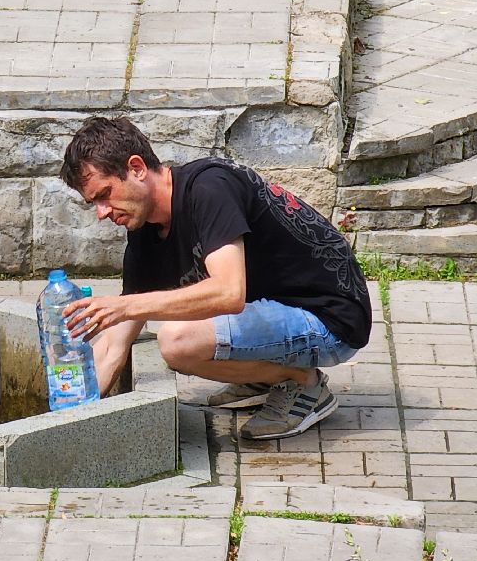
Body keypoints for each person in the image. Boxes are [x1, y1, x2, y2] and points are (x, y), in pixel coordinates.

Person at [58, 115, 371, 440]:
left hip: (332, 320)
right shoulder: (144, 232)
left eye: (105, 194)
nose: (102, 212)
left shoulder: (209, 187)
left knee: (177, 341)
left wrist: (127, 307)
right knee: (170, 334)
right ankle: (264, 376)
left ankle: (302, 384)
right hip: (276, 311)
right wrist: (70, 417)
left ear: (136, 168)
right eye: (93, 202)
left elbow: (228, 293)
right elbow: (114, 346)